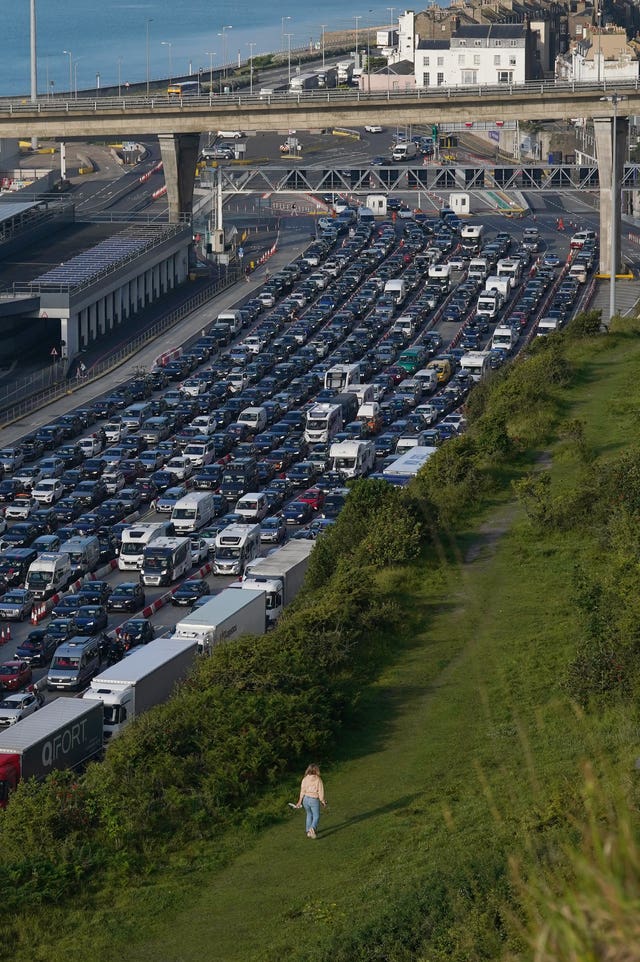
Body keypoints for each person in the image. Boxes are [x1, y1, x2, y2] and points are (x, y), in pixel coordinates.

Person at [295, 764, 326, 839]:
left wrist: (299, 801)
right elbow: (320, 791)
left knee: (309, 814)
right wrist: (322, 801)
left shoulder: (305, 779)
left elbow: (302, 790)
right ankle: (312, 828)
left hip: (305, 799)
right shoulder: (318, 779)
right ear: (316, 770)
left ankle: (308, 831)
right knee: (316, 816)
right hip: (314, 800)